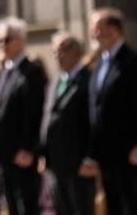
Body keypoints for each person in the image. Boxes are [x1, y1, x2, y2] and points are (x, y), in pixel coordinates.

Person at [85, 8, 137, 215]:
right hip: (107, 154)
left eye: (97, 29)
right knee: (114, 206)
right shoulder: (101, 64)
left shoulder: (133, 63)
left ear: (114, 30)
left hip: (130, 153)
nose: (93, 35)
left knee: (133, 207)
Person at [0, 17, 47, 215]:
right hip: (4, 157)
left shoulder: (32, 72)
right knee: (11, 206)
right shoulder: (5, 72)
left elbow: (35, 113)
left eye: (6, 40)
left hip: (22, 157)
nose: (1, 45)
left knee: (26, 207)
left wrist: (30, 149)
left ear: (20, 40)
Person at [39, 33, 94, 215]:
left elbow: (92, 121)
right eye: (54, 52)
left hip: (79, 164)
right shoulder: (56, 81)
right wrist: (43, 154)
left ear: (76, 52)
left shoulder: (89, 80)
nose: (56, 56)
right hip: (55, 163)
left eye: (61, 51)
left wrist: (89, 157)